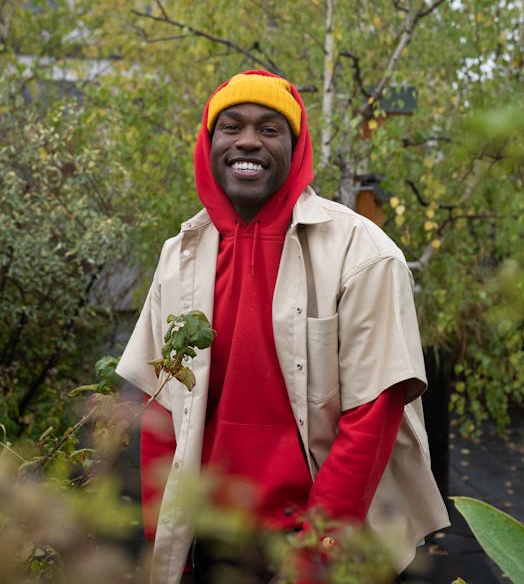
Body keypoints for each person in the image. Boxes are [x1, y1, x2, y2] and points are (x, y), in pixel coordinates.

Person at [116, 69, 449, 584]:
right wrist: (166, 543)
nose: (247, 140)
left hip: (331, 541)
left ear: (295, 148)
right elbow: (160, 404)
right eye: (231, 126)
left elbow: (374, 414)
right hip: (213, 537)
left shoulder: (363, 253)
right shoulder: (178, 256)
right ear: (209, 144)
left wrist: (315, 557)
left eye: (270, 129)